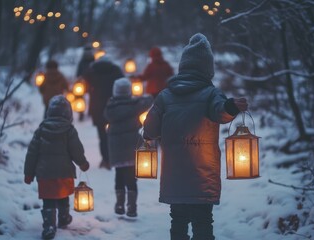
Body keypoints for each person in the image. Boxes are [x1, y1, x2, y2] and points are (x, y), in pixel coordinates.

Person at [143, 33, 248, 240]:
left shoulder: (165, 96)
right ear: (208, 69)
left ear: (183, 66)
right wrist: (231, 106)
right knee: (203, 223)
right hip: (202, 176)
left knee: (178, 221)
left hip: (174, 175)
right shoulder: (211, 94)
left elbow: (150, 131)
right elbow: (221, 112)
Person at [24, 95, 90, 240]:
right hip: (64, 172)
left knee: (48, 198)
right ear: (69, 114)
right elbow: (76, 150)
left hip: (45, 173)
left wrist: (28, 173)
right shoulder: (69, 130)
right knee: (63, 195)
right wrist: (83, 163)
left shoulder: (41, 130)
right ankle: (64, 217)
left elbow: (32, 153)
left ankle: (49, 226)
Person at [104, 78, 153, 217]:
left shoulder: (110, 107)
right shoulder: (134, 105)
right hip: (131, 145)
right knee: (131, 177)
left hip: (116, 147)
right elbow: (149, 100)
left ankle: (119, 204)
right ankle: (132, 207)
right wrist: (141, 96)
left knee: (119, 175)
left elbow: (104, 115)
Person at [83, 56, 124, 170]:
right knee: (115, 135)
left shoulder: (93, 72)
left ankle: (106, 160)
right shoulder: (116, 70)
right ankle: (114, 158)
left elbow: (84, 79)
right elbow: (123, 83)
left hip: (97, 108)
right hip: (113, 106)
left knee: (102, 136)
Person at [75, 46, 95, 121]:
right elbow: (78, 73)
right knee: (80, 97)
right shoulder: (82, 62)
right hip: (82, 83)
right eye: (86, 52)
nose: (88, 54)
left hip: (92, 82)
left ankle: (91, 112)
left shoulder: (94, 61)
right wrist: (78, 79)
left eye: (89, 52)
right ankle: (81, 112)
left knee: (93, 97)